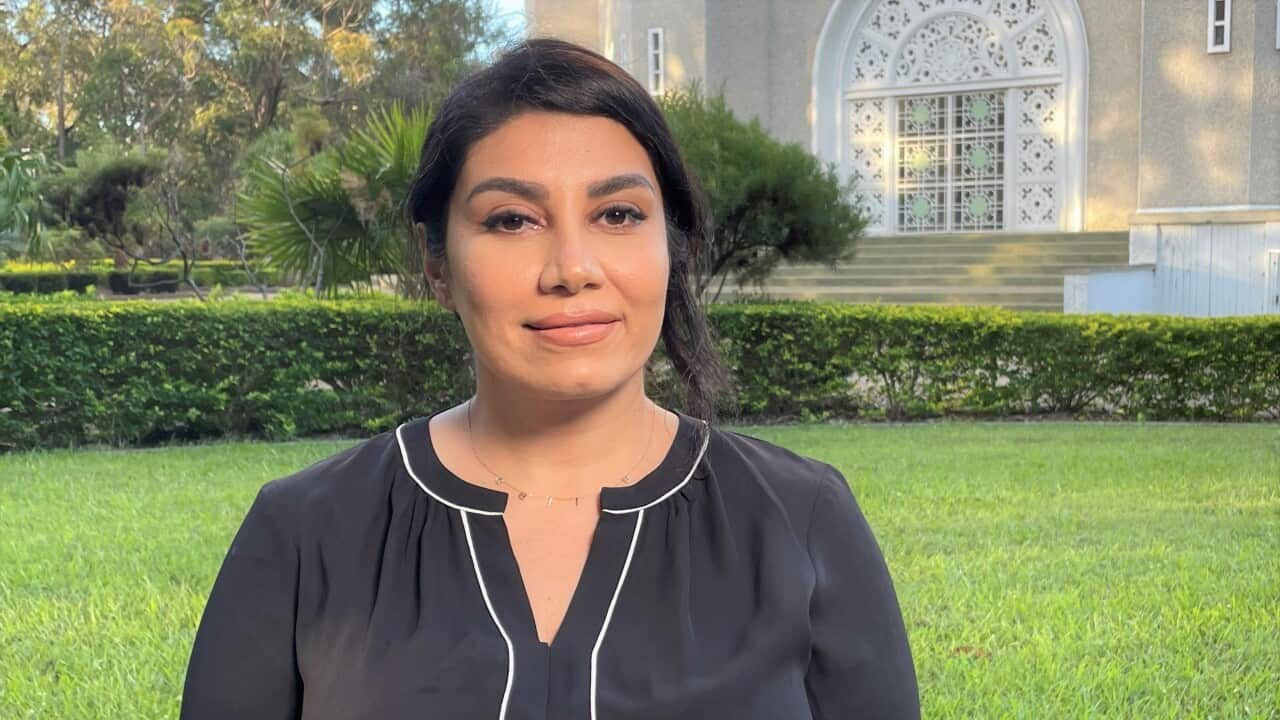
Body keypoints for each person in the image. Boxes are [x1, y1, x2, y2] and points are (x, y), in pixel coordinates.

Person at [179, 37, 919, 720]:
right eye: (511, 220)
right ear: (437, 264)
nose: (572, 270)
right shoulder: (306, 533)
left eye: (619, 214)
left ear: (674, 246)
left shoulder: (800, 521)